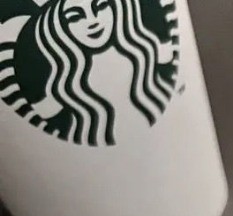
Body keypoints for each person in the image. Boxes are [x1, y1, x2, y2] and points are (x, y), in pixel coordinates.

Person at [5, 0, 175, 145]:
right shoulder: (59, 92)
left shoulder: (145, 53)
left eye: (101, 6)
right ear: (59, 30)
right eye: (75, 17)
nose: (93, 21)